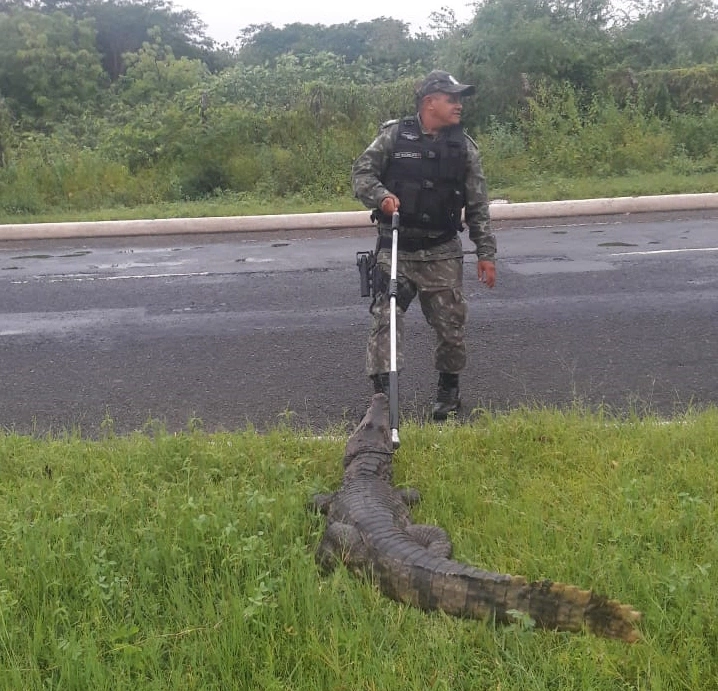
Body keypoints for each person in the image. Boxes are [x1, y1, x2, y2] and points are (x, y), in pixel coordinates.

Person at [351, 69, 496, 420]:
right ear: (429, 102)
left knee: (451, 328)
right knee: (385, 320)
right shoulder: (393, 137)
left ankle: (448, 397)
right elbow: (361, 175)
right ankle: (383, 402)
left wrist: (485, 252)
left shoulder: (464, 148)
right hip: (396, 249)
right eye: (452, 98)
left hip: (443, 252)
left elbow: (477, 204)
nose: (459, 105)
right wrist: (382, 196)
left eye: (460, 99)